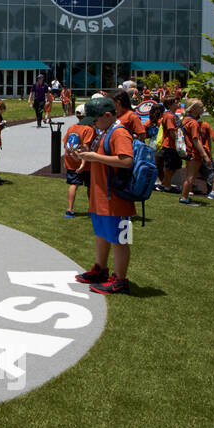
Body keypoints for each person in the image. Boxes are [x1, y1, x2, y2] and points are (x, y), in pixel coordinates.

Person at [71, 96, 134, 295]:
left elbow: (126, 161)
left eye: (95, 120)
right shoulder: (104, 131)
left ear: (107, 115)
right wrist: (85, 154)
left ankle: (120, 279)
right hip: (101, 196)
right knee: (102, 234)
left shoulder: (119, 133)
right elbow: (101, 157)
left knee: (119, 239)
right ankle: (101, 268)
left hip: (116, 198)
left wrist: (94, 157)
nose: (94, 125)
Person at [63, 103, 94, 217]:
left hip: (71, 161)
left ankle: (69, 209)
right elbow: (86, 147)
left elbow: (66, 144)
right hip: (84, 163)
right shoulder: (89, 129)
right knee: (90, 186)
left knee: (73, 184)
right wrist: (83, 164)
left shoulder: (72, 127)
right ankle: (91, 209)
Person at [177, 99, 208, 205]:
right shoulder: (193, 123)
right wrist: (204, 155)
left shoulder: (185, 120)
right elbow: (196, 139)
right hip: (193, 152)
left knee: (190, 175)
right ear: (193, 109)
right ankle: (184, 197)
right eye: (200, 107)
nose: (202, 109)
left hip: (187, 151)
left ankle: (185, 195)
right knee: (191, 176)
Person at [155, 96, 183, 192]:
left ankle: (164, 183)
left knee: (175, 166)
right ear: (170, 104)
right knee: (170, 167)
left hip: (173, 145)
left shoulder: (174, 115)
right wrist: (179, 142)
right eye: (176, 102)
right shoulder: (169, 116)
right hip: (170, 145)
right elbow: (171, 131)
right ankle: (166, 185)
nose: (179, 103)